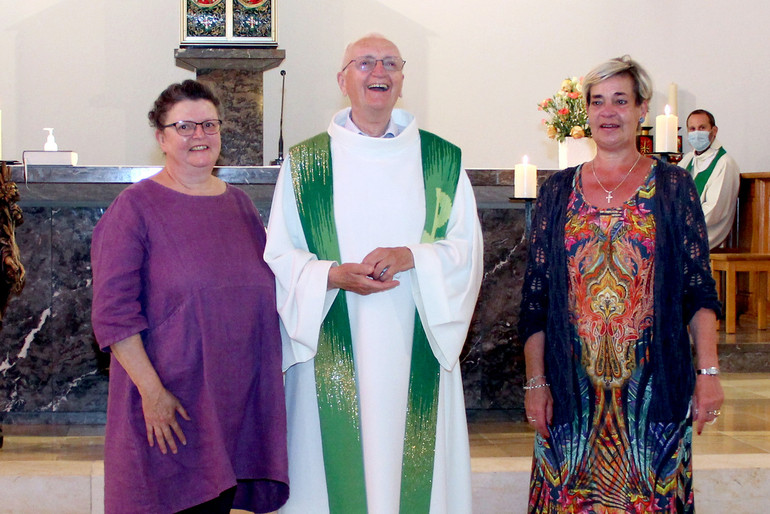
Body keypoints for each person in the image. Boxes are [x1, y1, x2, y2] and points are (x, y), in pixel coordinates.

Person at [264, 34, 483, 513]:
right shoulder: (306, 164)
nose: (377, 72)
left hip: (416, 337)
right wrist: (330, 275)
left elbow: (466, 252)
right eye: (364, 63)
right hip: (333, 347)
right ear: (342, 80)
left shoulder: (443, 161)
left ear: (402, 81)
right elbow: (280, 256)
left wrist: (413, 257)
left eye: (389, 63)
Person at [519, 56, 724, 512]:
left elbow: (698, 290)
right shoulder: (556, 191)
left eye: (620, 100)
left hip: (654, 395)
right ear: (585, 112)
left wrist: (707, 373)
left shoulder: (673, 187)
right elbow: (535, 299)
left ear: (640, 109)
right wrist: (536, 382)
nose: (608, 112)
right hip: (570, 398)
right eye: (597, 102)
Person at [91, 80, 289, 514]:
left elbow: (268, 291)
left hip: (231, 405)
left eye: (209, 125)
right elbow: (114, 315)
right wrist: (153, 393)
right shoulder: (134, 208)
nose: (199, 135)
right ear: (161, 137)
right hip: (170, 407)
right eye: (184, 126)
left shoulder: (240, 206)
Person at [679, 109, 741, 249]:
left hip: (704, 234)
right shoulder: (688, 160)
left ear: (714, 130)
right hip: (682, 230)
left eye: (702, 128)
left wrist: (679, 224)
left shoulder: (724, 163)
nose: (697, 133)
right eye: (692, 129)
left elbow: (714, 210)